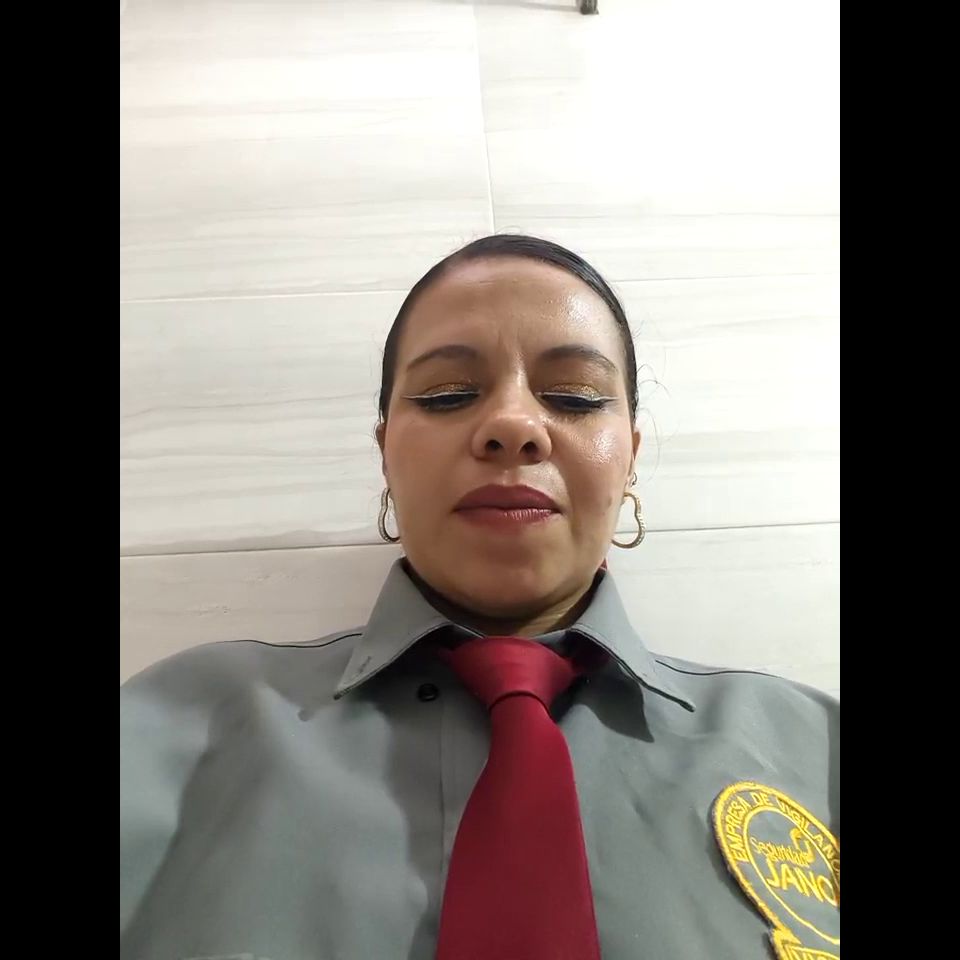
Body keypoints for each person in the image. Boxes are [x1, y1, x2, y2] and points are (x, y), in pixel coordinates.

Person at [120, 234, 839, 960]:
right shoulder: (171, 726)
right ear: (385, 455)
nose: (513, 426)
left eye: (575, 396)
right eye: (448, 395)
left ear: (630, 457)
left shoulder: (815, 746)